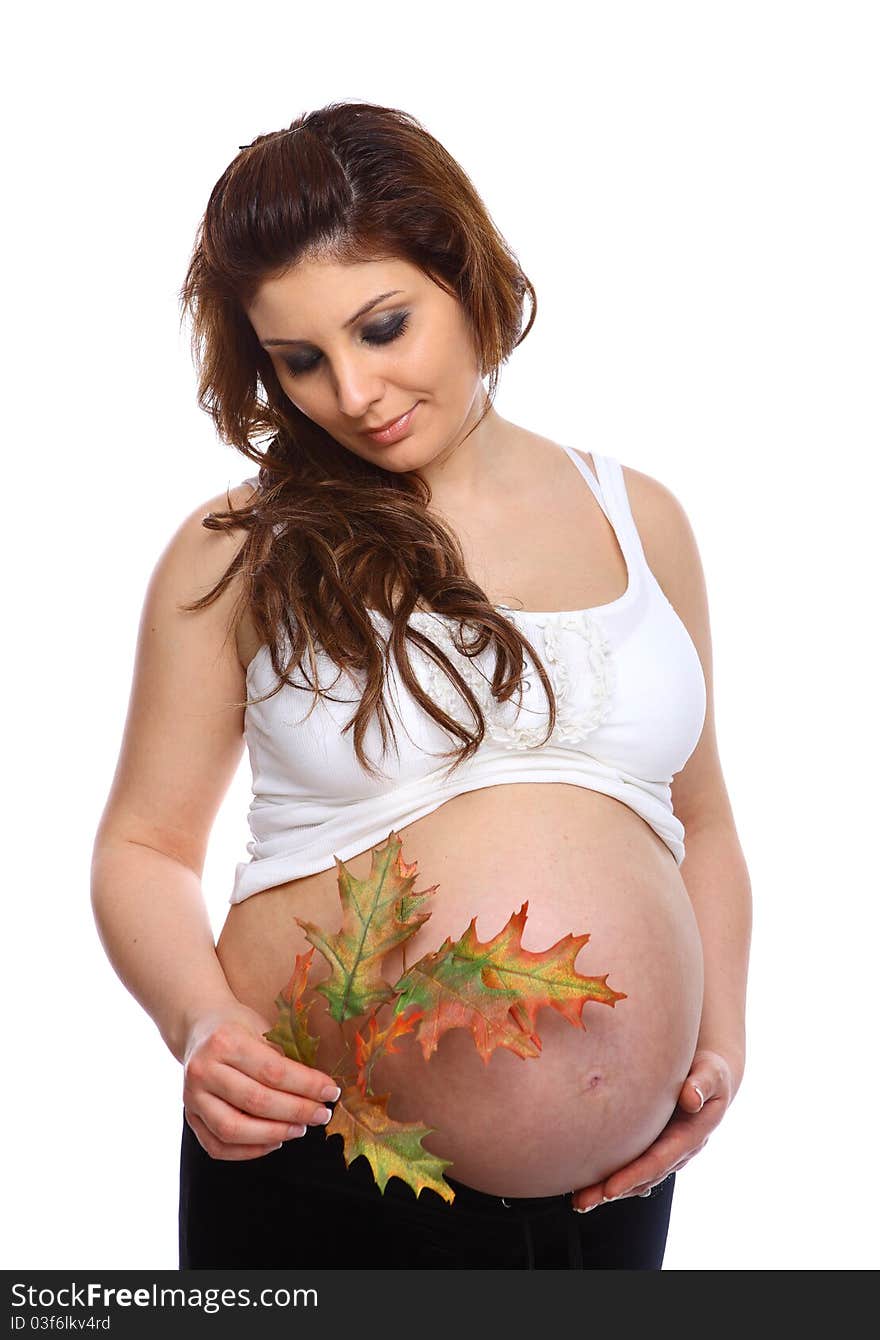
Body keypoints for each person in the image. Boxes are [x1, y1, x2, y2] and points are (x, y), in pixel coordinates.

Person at [90, 100, 752, 1271]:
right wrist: (200, 1023)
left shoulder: (640, 516)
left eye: (382, 327)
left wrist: (718, 1042)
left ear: (463, 270)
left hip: (611, 1196)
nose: (352, 390)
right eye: (300, 360)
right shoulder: (238, 547)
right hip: (319, 1158)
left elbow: (698, 819)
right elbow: (141, 843)